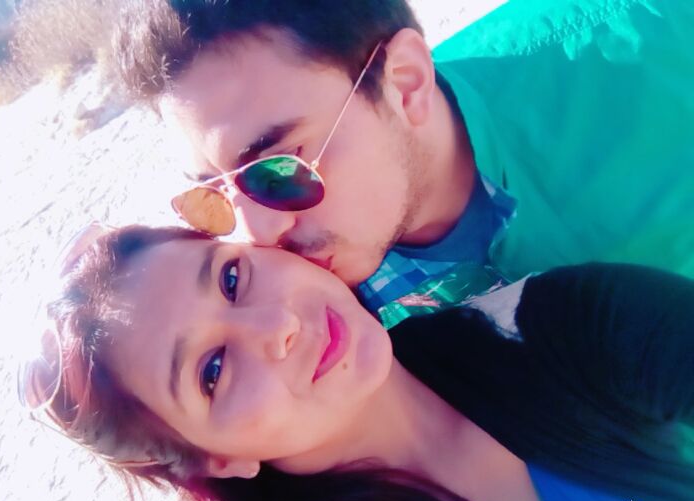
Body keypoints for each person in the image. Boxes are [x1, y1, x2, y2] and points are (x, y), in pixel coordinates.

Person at [20, 224, 694, 501]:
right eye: (213, 370)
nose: (277, 325)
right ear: (215, 458)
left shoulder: (562, 331)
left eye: (231, 277)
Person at [113, 0, 694, 327]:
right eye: (214, 194)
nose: (256, 234)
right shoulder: (295, 316)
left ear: (405, 83)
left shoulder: (660, 47)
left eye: (279, 169)